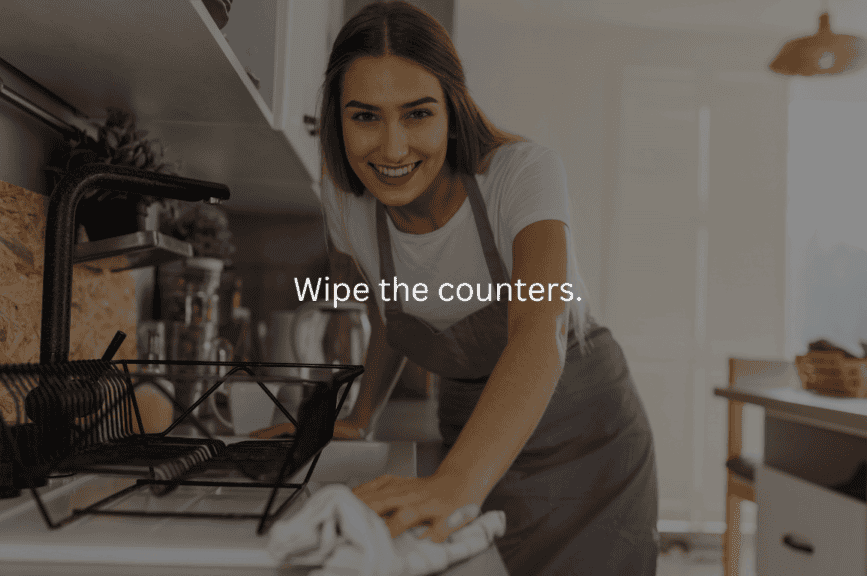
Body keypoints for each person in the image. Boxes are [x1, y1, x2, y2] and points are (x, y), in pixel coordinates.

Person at [252, 2, 659, 574]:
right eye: (365, 116)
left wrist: (456, 482)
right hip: (472, 427)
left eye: (417, 114)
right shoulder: (348, 207)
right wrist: (362, 412)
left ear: (452, 108)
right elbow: (391, 323)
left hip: (585, 434)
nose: (392, 150)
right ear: (337, 117)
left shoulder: (520, 174)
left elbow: (540, 331)